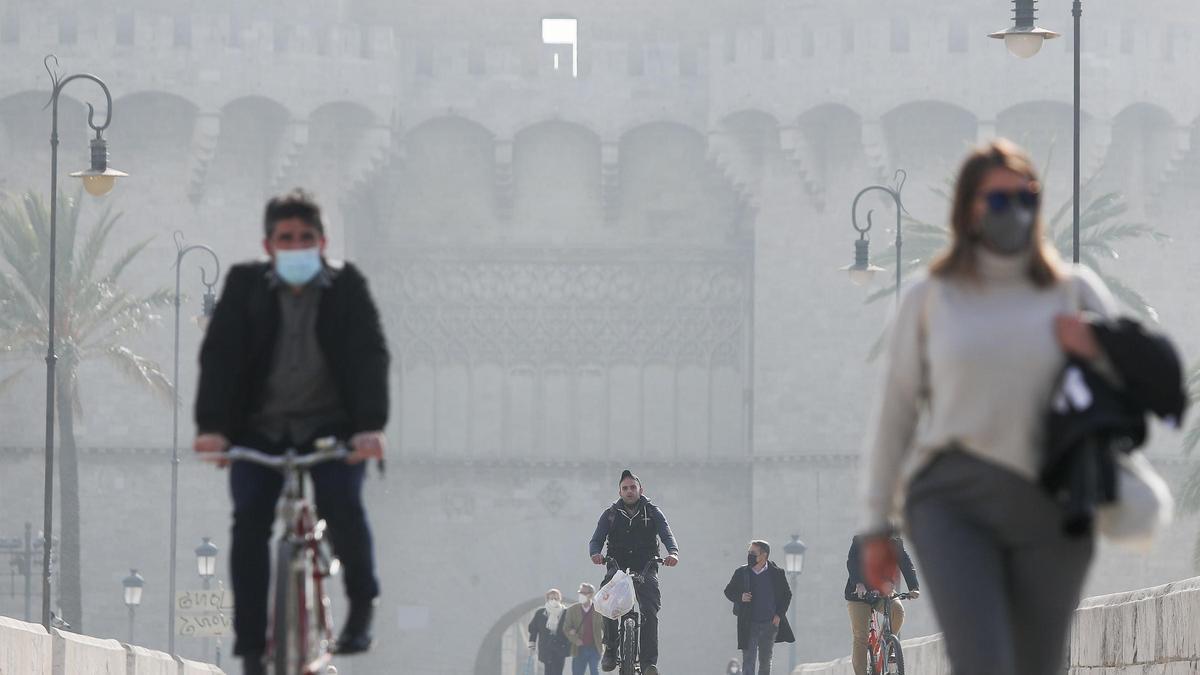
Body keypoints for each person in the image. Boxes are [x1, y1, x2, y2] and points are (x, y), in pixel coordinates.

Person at [860, 139, 1118, 675]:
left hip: (1052, 502)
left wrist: (1096, 351)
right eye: (998, 201)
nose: (1015, 211)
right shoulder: (929, 296)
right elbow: (897, 413)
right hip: (954, 498)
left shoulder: (1075, 292)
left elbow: (1127, 390)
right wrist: (875, 523)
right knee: (982, 660)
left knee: (1038, 665)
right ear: (968, 210)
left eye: (1026, 197)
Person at [193, 189, 389, 675]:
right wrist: (213, 430)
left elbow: (370, 355)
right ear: (269, 244)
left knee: (342, 504)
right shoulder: (244, 285)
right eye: (286, 238)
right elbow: (220, 356)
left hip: (329, 431)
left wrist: (369, 429)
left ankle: (361, 606)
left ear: (322, 242)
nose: (296, 246)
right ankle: (251, 648)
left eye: (305, 237)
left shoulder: (347, 288)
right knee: (249, 524)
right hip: (258, 431)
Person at [589, 469, 680, 675]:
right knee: (607, 602)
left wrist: (673, 553)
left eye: (633, 487)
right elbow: (596, 539)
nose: (629, 491)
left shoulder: (652, 512)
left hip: (645, 565)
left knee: (649, 610)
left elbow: (666, 533)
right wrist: (595, 553)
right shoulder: (610, 515)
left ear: (640, 489)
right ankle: (611, 650)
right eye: (625, 488)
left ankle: (648, 663)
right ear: (620, 492)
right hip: (617, 564)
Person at [844, 535, 918, 675]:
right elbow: (852, 563)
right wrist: (859, 584)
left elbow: (905, 562)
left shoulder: (894, 541)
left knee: (897, 610)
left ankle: (888, 646)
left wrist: (914, 587)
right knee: (861, 636)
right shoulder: (861, 539)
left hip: (882, 591)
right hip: (858, 595)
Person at [722, 540, 795, 675]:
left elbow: (787, 595)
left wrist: (779, 615)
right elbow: (728, 591)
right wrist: (740, 597)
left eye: (753, 553)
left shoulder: (777, 573)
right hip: (748, 624)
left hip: (769, 624)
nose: (749, 555)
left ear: (764, 555)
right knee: (748, 661)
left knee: (765, 661)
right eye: (749, 552)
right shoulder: (741, 572)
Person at [563, 582, 603, 675]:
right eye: (580, 592)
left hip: (595, 647)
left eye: (584, 593)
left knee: (594, 671)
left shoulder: (598, 609)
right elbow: (566, 628)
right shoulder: (572, 609)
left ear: (591, 595)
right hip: (579, 648)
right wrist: (575, 639)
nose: (581, 595)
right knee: (577, 672)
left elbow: (605, 627)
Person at [529, 588, 570, 675]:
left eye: (556, 598)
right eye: (551, 598)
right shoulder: (540, 613)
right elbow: (533, 629)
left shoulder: (566, 613)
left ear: (560, 599)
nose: (554, 600)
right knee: (548, 671)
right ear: (547, 599)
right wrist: (532, 644)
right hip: (546, 647)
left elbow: (572, 628)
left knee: (558, 671)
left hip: (560, 647)